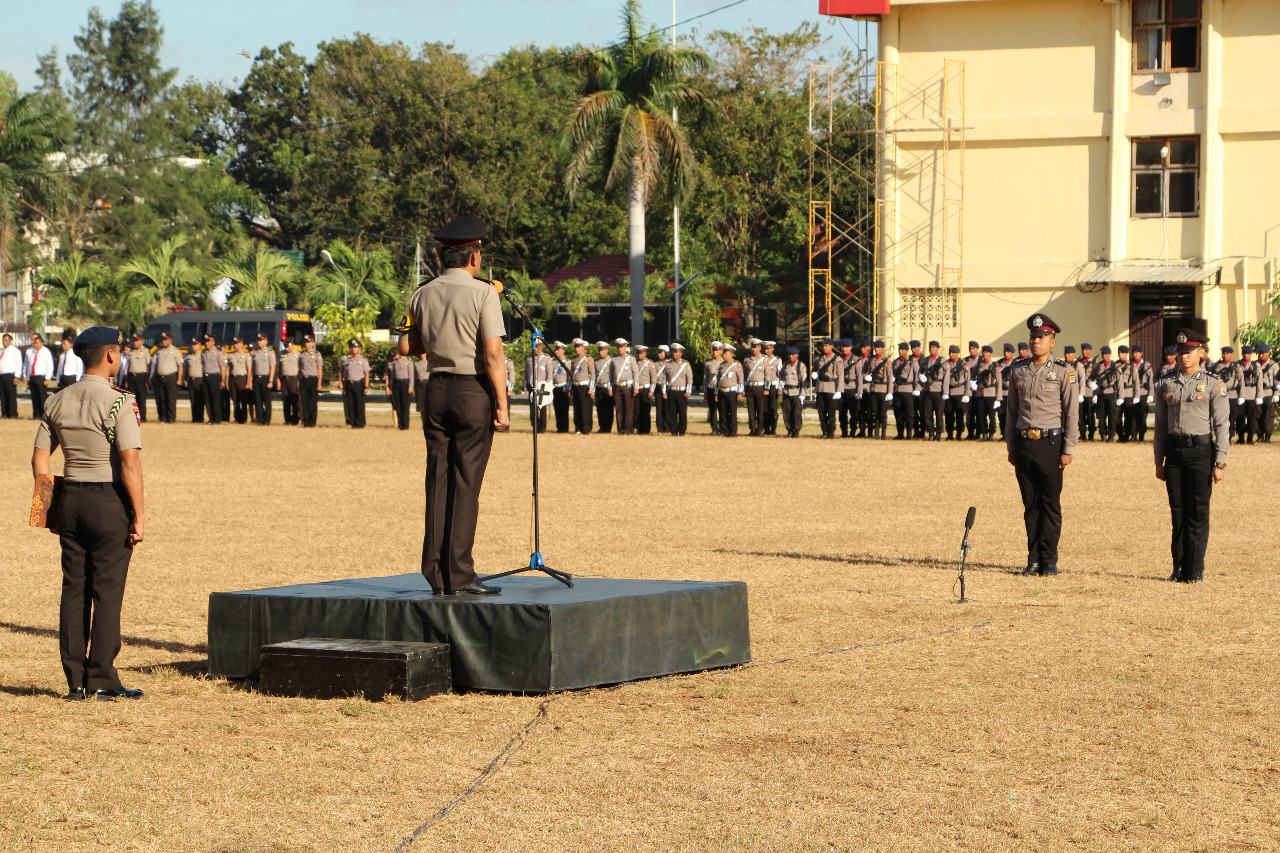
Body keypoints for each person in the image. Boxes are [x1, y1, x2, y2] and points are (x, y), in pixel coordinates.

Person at [31, 326, 145, 701]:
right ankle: (102, 678)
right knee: (107, 590)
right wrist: (139, 517)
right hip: (107, 500)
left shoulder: (56, 400)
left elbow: (39, 458)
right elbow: (129, 464)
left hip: (71, 500)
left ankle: (75, 681)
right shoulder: (118, 401)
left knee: (74, 589)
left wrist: (46, 509)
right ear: (111, 355)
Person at [398, 215, 509, 596]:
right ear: (474, 257)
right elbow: (493, 354)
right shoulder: (484, 293)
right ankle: (460, 573)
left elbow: (406, 348)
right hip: (471, 390)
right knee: (466, 483)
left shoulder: (422, 292)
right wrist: (503, 404)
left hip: (436, 389)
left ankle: (436, 571)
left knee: (439, 480)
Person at [1005, 313, 1079, 577]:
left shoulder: (1063, 372)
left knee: (1049, 503)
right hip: (1025, 443)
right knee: (1030, 504)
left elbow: (1071, 413)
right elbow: (1012, 412)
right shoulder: (1018, 371)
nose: (1036, 342)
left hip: (1050, 442)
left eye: (1041, 338)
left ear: (1052, 341)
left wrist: (1068, 448)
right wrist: (1011, 444)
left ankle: (1049, 559)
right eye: (1033, 337)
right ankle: (1033, 559)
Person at [1154, 327, 1229, 583]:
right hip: (1174, 453)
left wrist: (1220, 461)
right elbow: (1161, 426)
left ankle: (1195, 569)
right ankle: (1179, 567)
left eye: (1189, 352)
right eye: (1180, 352)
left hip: (1200, 452)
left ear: (1202, 353)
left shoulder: (1213, 384)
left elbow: (1222, 425)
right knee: (1178, 512)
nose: (1183, 356)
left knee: (1197, 511)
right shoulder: (1166, 383)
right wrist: (1158, 460)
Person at [812, 339, 844, 439]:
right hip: (820, 387)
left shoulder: (836, 359)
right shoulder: (818, 358)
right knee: (821, 411)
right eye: (823, 345)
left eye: (826, 345)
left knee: (831, 412)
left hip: (831, 387)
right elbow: (814, 370)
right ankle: (824, 431)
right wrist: (813, 374)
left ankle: (831, 431)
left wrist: (839, 390)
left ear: (831, 346)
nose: (824, 347)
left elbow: (840, 375)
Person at [149, 333, 183, 423]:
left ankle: (171, 418)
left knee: (171, 399)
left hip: (171, 377)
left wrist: (179, 379)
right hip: (160, 377)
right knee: (162, 398)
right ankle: (163, 417)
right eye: (163, 339)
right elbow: (156, 365)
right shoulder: (160, 351)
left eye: (165, 339)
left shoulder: (175, 351)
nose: (163, 341)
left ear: (170, 340)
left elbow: (180, 365)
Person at [1090, 346, 1120, 441]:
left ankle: (1111, 435)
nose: (1104, 356)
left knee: (1112, 415)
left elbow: (1119, 381)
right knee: (1101, 416)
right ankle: (1102, 434)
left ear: (1110, 355)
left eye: (1106, 354)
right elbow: (1091, 377)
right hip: (1100, 393)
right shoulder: (1098, 366)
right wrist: (1091, 383)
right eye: (1103, 354)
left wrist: (1120, 396)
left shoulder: (1114, 366)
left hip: (1110, 392)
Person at [609, 338, 639, 435]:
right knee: (619, 409)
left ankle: (627, 429)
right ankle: (620, 429)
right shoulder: (614, 360)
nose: (620, 349)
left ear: (626, 347)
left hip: (628, 386)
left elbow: (635, 374)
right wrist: (610, 387)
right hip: (617, 386)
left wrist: (636, 387)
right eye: (618, 347)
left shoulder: (631, 359)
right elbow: (611, 375)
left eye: (622, 347)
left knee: (628, 409)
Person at [973, 345, 1002, 440]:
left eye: (987, 352)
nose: (985, 354)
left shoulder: (995, 366)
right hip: (981, 393)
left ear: (991, 354)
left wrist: (998, 398)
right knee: (981, 415)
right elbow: (974, 377)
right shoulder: (979, 365)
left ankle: (991, 434)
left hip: (991, 393)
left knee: (991, 416)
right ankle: (984, 433)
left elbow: (998, 382)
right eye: (983, 352)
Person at [339, 339, 371, 429]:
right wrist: (344, 386)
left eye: (355, 347)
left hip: (359, 384)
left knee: (359, 404)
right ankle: (353, 423)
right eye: (351, 347)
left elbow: (367, 374)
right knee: (351, 404)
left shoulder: (363, 360)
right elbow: (344, 374)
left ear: (359, 348)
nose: (353, 349)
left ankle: (360, 423)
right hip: (349, 384)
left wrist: (366, 386)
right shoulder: (346, 360)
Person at [663, 343, 693, 435]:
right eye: (673, 351)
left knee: (682, 412)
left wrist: (688, 391)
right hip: (672, 390)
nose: (674, 353)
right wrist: (664, 391)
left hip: (682, 391)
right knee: (672, 412)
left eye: (677, 352)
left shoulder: (685, 364)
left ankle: (682, 430)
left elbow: (689, 379)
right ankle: (673, 430)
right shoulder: (668, 364)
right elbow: (664, 378)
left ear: (681, 353)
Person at [891, 342, 919, 440]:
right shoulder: (895, 362)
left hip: (908, 390)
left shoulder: (912, 362)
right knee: (898, 412)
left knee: (909, 413)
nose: (900, 351)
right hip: (897, 390)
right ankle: (900, 433)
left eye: (903, 349)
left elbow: (916, 376)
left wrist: (917, 388)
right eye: (899, 349)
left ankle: (909, 433)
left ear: (907, 351)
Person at [716, 343, 744, 436]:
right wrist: (716, 393)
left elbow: (740, 379)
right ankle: (724, 430)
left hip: (732, 392)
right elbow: (718, 380)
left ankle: (732, 431)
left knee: (732, 412)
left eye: (726, 354)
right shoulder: (721, 365)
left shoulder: (736, 365)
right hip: (722, 391)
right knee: (723, 412)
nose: (724, 355)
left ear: (731, 354)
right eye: (723, 353)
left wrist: (740, 392)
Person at [742, 339, 769, 436]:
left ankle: (760, 429)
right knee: (751, 409)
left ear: (760, 348)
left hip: (760, 387)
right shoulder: (747, 359)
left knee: (760, 409)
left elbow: (767, 375)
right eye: (752, 347)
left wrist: (766, 389)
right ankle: (752, 428)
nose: (754, 349)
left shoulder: (764, 359)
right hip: (750, 386)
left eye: (756, 347)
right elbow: (744, 375)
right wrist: (743, 389)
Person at [779, 346, 808, 437]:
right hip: (787, 391)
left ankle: (796, 430)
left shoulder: (800, 365)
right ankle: (789, 430)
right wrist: (781, 383)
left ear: (797, 355)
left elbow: (804, 381)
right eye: (789, 354)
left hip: (796, 392)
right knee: (786, 412)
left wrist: (803, 394)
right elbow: (781, 374)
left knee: (796, 413)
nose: (791, 356)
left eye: (793, 355)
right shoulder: (786, 364)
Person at [919, 341, 945, 441]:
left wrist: (945, 391)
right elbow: (920, 372)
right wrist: (921, 377)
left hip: (938, 389)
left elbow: (946, 377)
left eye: (934, 347)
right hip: (927, 389)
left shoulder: (942, 361)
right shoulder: (926, 360)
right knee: (927, 413)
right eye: (930, 347)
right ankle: (930, 432)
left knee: (939, 413)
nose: (932, 349)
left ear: (938, 348)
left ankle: (938, 433)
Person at [569, 338, 596, 434]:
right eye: (576, 347)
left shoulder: (588, 359)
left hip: (585, 386)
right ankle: (578, 428)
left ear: (583, 347)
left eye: (579, 347)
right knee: (577, 409)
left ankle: (586, 428)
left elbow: (592, 375)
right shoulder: (573, 360)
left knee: (586, 409)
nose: (577, 349)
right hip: (575, 386)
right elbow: (570, 375)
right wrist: (569, 388)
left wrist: (592, 388)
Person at [942, 345, 970, 440]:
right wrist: (945, 392)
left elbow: (967, 379)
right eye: (950, 352)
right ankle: (949, 434)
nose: (951, 354)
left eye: (953, 352)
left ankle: (959, 434)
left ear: (958, 353)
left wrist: (967, 393)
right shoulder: (946, 364)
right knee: (948, 414)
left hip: (959, 391)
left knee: (959, 415)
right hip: (949, 392)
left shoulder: (963, 364)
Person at [25, 333, 55, 419]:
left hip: (41, 377)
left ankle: (44, 415)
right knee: (34, 397)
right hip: (32, 376)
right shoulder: (29, 351)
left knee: (42, 397)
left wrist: (47, 378)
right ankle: (36, 414)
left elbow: (50, 365)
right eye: (34, 343)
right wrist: (26, 376)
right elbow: (27, 365)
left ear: (42, 343)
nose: (35, 344)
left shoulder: (46, 352)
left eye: (37, 342)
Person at [1129, 345, 1154, 442]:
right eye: (1133, 353)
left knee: (1142, 415)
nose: (1135, 354)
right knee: (1132, 414)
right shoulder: (1130, 364)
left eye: (1137, 353)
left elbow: (1150, 380)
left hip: (1143, 392)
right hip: (1133, 392)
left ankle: (1142, 434)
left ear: (1141, 353)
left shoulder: (1146, 365)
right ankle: (1133, 434)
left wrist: (1151, 394)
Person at [525, 340, 552, 433]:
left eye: (536, 347)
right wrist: (525, 385)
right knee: (533, 407)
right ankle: (535, 426)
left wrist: (549, 385)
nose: (535, 349)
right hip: (532, 385)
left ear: (540, 347)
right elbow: (526, 373)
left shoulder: (546, 358)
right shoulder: (529, 358)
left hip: (542, 385)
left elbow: (549, 373)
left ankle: (542, 427)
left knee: (542, 407)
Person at [250, 334, 277, 425]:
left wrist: (270, 381)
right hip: (257, 378)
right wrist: (251, 380)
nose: (259, 342)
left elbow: (272, 367)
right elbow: (253, 368)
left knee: (267, 400)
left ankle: (267, 419)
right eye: (258, 340)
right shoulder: (255, 353)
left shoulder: (270, 353)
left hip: (266, 378)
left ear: (266, 341)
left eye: (261, 340)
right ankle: (261, 420)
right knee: (258, 400)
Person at [385, 348, 414, 430]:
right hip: (396, 384)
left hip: (405, 384)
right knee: (398, 405)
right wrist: (391, 387)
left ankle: (405, 424)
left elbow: (411, 376)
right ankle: (400, 424)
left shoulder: (409, 362)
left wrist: (411, 387)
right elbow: (392, 376)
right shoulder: (394, 362)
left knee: (405, 405)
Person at [200, 335, 227, 425]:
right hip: (206, 377)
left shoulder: (217, 353)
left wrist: (223, 380)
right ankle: (210, 418)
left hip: (215, 377)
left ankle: (217, 418)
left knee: (215, 398)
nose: (207, 343)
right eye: (206, 341)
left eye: (208, 341)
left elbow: (222, 367)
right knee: (207, 399)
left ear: (213, 342)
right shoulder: (203, 353)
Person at [1237, 346, 1261, 444]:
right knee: (1240, 418)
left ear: (1251, 354)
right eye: (1244, 353)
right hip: (1240, 395)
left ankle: (1250, 438)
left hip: (1252, 394)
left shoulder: (1256, 365)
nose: (1245, 355)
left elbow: (1260, 381)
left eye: (1247, 353)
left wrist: (1259, 396)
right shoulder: (1237, 365)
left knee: (1252, 418)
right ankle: (1241, 438)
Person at [298, 336, 323, 428]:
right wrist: (298, 381)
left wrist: (319, 383)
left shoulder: (317, 354)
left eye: (308, 342)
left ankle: (312, 422)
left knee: (313, 402)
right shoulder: (301, 355)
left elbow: (319, 369)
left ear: (312, 343)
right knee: (304, 402)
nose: (306, 344)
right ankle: (306, 421)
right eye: (305, 342)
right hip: (304, 379)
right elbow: (299, 369)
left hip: (313, 380)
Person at [124, 334, 150, 420]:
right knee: (132, 398)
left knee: (141, 397)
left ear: (141, 341)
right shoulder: (131, 352)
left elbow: (148, 365)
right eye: (133, 340)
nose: (134, 342)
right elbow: (128, 366)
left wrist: (147, 379)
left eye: (136, 341)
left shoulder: (146, 351)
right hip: (131, 376)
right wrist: (127, 380)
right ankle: (133, 416)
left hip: (141, 377)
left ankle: (142, 416)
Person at [277, 340, 301, 425]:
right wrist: (278, 380)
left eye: (288, 346)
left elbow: (300, 369)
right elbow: (279, 368)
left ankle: (295, 419)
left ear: (292, 345)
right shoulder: (282, 354)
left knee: (295, 400)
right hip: (284, 379)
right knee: (285, 400)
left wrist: (298, 380)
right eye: (285, 346)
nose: (287, 348)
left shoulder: (298, 354)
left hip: (293, 379)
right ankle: (287, 419)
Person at [633, 343, 655, 434]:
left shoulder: (649, 363)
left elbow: (653, 378)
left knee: (645, 410)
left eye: (641, 353)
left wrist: (651, 390)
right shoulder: (633, 363)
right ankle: (638, 428)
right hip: (636, 389)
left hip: (646, 389)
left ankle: (645, 429)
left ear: (645, 353)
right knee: (636, 410)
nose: (639, 355)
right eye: (638, 353)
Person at [550, 341, 571, 433]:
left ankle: (565, 428)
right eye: (556, 349)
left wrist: (568, 388)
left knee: (564, 409)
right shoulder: (552, 362)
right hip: (555, 388)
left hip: (564, 387)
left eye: (558, 349)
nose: (556, 351)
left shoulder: (567, 362)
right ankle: (559, 427)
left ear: (563, 350)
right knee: (557, 408)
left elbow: (570, 377)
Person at [183, 339, 205, 423]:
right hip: (191, 380)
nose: (193, 346)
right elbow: (187, 369)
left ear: (199, 346)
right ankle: (194, 417)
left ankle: (200, 418)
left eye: (195, 345)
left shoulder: (202, 356)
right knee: (193, 399)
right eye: (192, 345)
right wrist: (185, 379)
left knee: (200, 400)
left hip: (200, 380)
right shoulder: (189, 357)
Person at [1258, 344, 1277, 443]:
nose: (1261, 355)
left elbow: (1277, 380)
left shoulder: (1273, 365)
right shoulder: (1256, 364)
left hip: (1269, 393)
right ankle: (1260, 435)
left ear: (1268, 353)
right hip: (1258, 394)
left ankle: (1268, 437)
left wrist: (1277, 394)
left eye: (1263, 353)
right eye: (1260, 353)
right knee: (1258, 414)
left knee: (1269, 416)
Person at [594, 341, 614, 433]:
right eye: (599, 350)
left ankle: (608, 427)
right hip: (599, 387)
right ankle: (602, 426)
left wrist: (611, 388)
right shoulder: (596, 362)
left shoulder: (612, 361)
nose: (600, 352)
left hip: (607, 388)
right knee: (600, 409)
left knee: (608, 409)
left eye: (602, 350)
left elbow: (613, 376)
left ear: (607, 350)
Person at [703, 342, 723, 435]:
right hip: (711, 388)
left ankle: (722, 427)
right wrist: (705, 391)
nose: (715, 352)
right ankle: (714, 428)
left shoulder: (723, 362)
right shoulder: (708, 363)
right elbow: (705, 378)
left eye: (717, 350)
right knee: (712, 409)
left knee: (722, 409)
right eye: (714, 350)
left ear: (721, 351)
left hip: (720, 389)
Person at [0, 333, 21, 418]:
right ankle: (4, 413)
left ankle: (12, 413)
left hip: (10, 375)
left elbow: (19, 364)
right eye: (3, 340)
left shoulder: (15, 351)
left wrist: (17, 376)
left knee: (11, 395)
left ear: (10, 341)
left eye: (6, 340)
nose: (4, 342)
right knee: (3, 395)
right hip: (1, 375)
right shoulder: (1, 350)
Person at [763, 341, 782, 436]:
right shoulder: (762, 359)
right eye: (765, 349)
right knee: (764, 408)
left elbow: (780, 375)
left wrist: (780, 388)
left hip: (773, 385)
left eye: (768, 349)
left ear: (772, 349)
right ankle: (766, 428)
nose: (766, 351)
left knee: (773, 408)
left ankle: (773, 429)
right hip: (764, 386)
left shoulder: (777, 360)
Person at [652, 345, 671, 434]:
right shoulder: (655, 365)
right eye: (659, 353)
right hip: (658, 387)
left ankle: (667, 427)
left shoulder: (670, 363)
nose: (659, 355)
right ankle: (660, 428)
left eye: (661, 353)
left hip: (667, 387)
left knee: (667, 408)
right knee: (659, 409)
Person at [413, 354, 431, 420]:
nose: (421, 355)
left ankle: (428, 421)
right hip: (419, 384)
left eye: (423, 353)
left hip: (427, 383)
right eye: (420, 353)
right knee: (420, 406)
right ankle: (423, 422)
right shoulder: (416, 364)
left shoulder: (429, 362)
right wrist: (413, 388)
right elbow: (414, 376)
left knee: (428, 404)